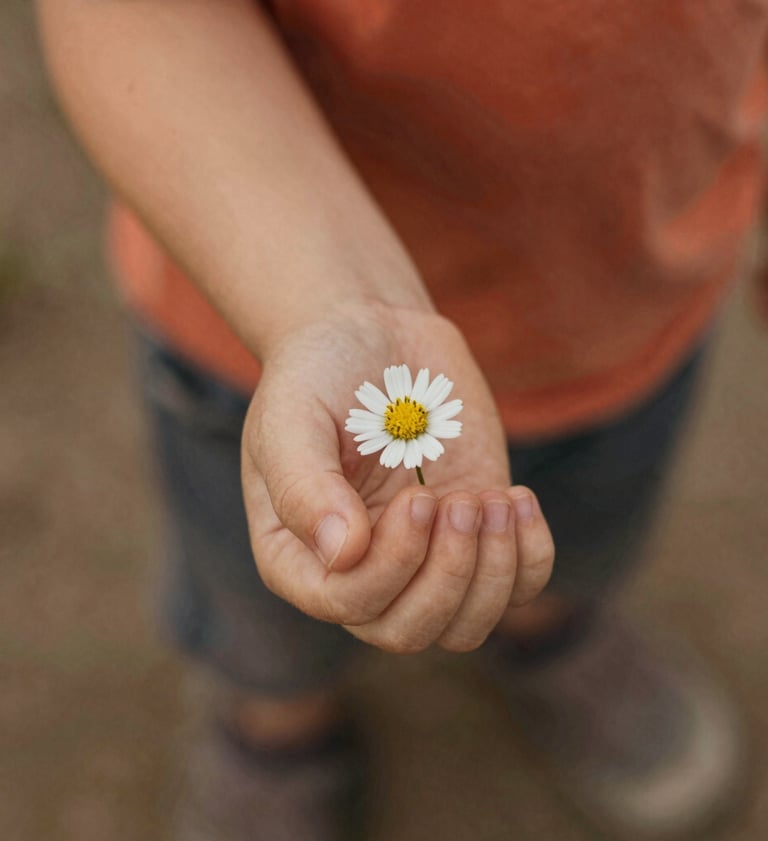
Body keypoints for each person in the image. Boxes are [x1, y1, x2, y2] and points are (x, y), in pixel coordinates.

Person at [36, 1, 763, 838]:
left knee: (569, 530)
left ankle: (546, 628)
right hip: (265, 321)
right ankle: (277, 729)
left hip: (635, 302)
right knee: (273, 589)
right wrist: (328, 304)